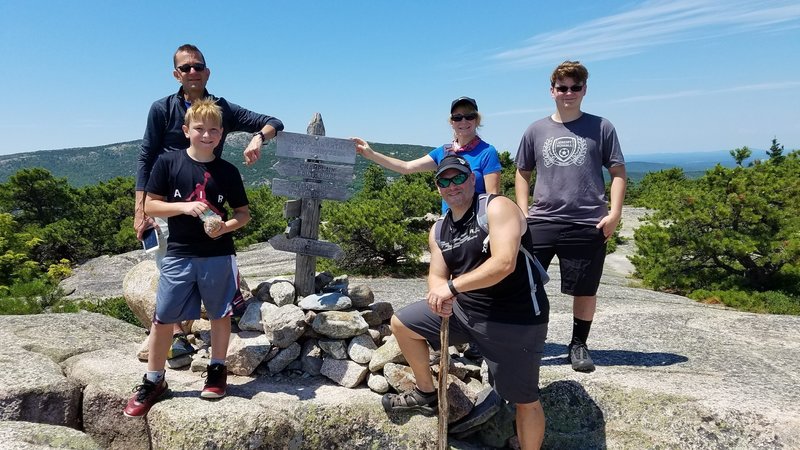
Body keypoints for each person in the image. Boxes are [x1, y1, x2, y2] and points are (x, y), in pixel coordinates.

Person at [382, 155, 549, 449]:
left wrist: (451, 287)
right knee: (402, 324)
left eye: (458, 178)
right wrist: (438, 296)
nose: (452, 186)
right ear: (438, 188)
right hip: (465, 312)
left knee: (525, 399)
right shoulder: (439, 230)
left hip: (513, 319)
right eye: (444, 181)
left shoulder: (497, 208)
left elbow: (504, 263)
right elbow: (436, 275)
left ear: (473, 179)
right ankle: (426, 393)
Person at [134, 44, 283, 357]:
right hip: (171, 202)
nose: (192, 72)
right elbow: (146, 158)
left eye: (197, 66)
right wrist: (140, 210)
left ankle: (225, 309)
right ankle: (176, 335)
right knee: (169, 265)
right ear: (176, 74)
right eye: (185, 68)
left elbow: (273, 121)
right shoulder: (162, 109)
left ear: (207, 71)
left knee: (215, 252)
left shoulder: (221, 108)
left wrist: (258, 137)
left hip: (208, 201)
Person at [124, 99, 251, 417]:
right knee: (164, 317)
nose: (206, 135)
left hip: (218, 254)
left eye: (212, 130)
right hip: (179, 253)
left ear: (221, 134)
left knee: (220, 314)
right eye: (199, 129)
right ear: (186, 130)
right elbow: (151, 205)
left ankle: (217, 371)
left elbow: (243, 214)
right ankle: (154, 380)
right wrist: (183, 207)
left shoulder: (227, 171)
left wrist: (225, 228)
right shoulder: (169, 163)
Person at [514, 60, 626, 373]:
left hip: (587, 221)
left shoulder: (601, 127)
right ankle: (527, 342)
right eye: (562, 87)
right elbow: (522, 171)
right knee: (526, 285)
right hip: (543, 221)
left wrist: (614, 213)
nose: (569, 93)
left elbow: (617, 172)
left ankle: (578, 344)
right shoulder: (536, 130)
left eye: (575, 87)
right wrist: (523, 212)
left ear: (584, 90)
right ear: (552, 91)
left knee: (585, 289)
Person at [352, 96, 502, 212]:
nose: (463, 121)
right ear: (452, 122)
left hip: (477, 224)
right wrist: (371, 154)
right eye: (457, 117)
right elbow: (406, 167)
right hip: (450, 223)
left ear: (477, 120)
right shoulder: (443, 152)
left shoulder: (487, 152)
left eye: (469, 116)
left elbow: (492, 198)